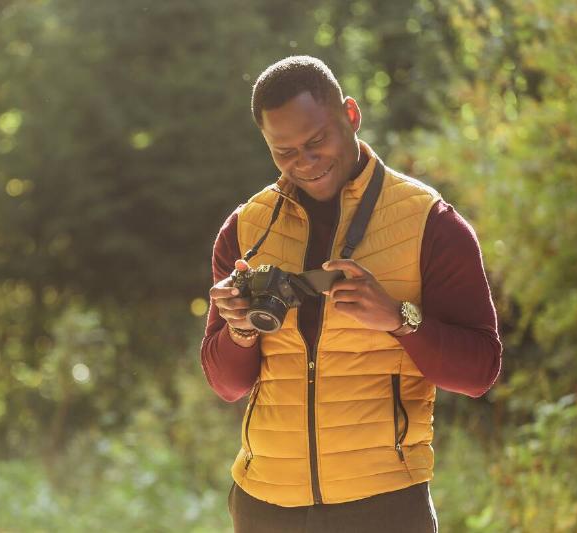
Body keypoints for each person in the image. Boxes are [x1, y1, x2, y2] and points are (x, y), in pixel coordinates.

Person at [200, 56, 502, 532]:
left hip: (384, 506)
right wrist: (239, 331)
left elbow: (479, 371)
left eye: (317, 141)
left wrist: (401, 319)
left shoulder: (431, 224)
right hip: (265, 506)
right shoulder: (244, 230)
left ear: (352, 115)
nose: (305, 162)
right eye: (284, 151)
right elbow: (226, 385)